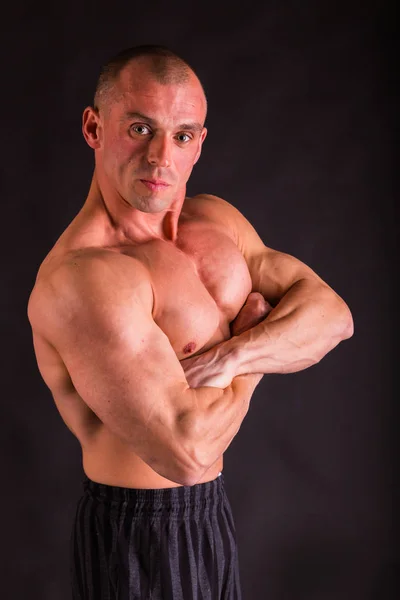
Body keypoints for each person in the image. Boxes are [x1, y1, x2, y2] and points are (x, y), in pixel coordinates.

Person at [27, 44, 354, 600]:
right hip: (137, 532)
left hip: (211, 515)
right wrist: (258, 343)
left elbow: (333, 318)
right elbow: (188, 451)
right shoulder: (84, 278)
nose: (160, 157)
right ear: (93, 127)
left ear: (199, 143)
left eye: (181, 135)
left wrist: (232, 355)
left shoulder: (217, 222)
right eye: (139, 128)